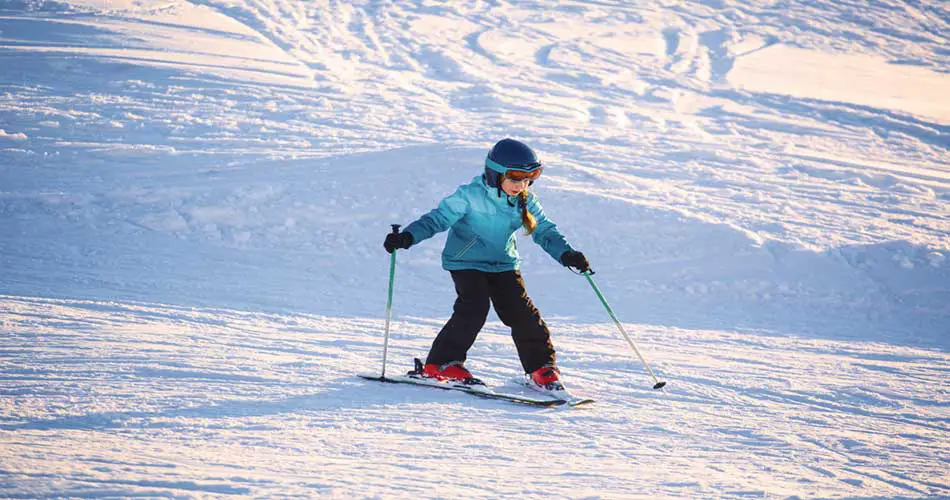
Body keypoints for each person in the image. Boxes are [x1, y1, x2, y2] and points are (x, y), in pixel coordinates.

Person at [383, 138, 590, 392]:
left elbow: (545, 231)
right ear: (495, 174)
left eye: (528, 178)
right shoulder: (469, 195)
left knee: (521, 312)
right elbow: (437, 219)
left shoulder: (525, 200)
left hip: (503, 263)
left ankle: (541, 368)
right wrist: (408, 236)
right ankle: (441, 364)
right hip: (465, 261)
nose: (521, 185)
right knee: (474, 306)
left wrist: (567, 254)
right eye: (515, 178)